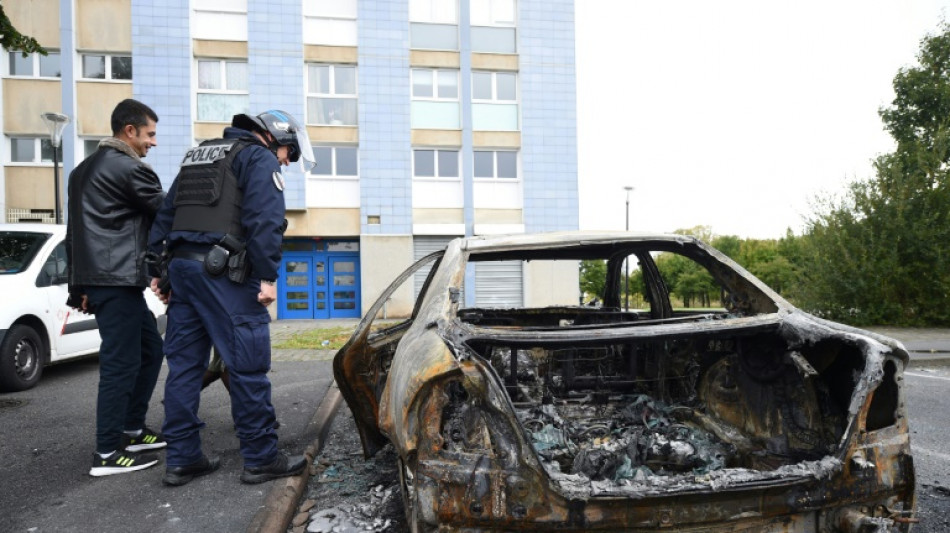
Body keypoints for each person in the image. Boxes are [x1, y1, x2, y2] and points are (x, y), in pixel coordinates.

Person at [148, 110, 315, 486]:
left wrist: (157, 270)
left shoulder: (199, 155)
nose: (286, 161)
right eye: (289, 152)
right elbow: (265, 221)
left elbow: (166, 214)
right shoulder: (257, 158)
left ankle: (182, 459)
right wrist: (267, 276)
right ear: (273, 137)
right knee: (247, 363)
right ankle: (261, 458)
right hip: (224, 274)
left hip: (183, 271)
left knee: (184, 369)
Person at [65, 98, 167, 477]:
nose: (153, 142)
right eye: (149, 134)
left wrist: (79, 287)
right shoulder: (130, 169)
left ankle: (132, 429)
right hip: (118, 279)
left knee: (150, 349)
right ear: (129, 131)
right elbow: (168, 215)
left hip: (107, 279)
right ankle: (107, 452)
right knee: (120, 364)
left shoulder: (81, 170)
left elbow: (75, 233)